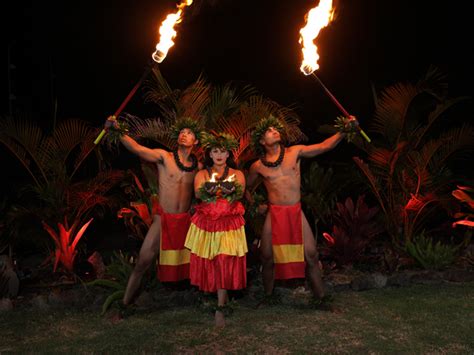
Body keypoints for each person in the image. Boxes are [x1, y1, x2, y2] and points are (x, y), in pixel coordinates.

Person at [245, 114, 358, 309]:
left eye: (275, 129)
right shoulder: (258, 166)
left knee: (312, 254)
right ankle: (268, 297)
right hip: (274, 213)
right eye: (269, 131)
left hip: (295, 211)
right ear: (263, 141)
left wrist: (344, 130)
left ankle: (321, 299)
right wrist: (256, 205)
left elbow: (324, 146)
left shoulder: (294, 152)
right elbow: (244, 187)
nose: (275, 131)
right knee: (266, 256)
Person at [104, 115, 203, 307]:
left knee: (198, 261)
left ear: (196, 141)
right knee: (143, 260)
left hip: (185, 221)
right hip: (163, 219)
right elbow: (137, 149)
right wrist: (117, 130)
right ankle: (125, 304)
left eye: (189, 133)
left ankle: (203, 299)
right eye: (181, 132)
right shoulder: (164, 157)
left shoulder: (197, 167)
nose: (184, 135)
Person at [184, 132, 247, 327]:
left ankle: (220, 308)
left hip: (229, 223)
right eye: (214, 151)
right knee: (212, 262)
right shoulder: (201, 174)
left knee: (224, 259)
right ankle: (218, 298)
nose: (219, 154)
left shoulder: (238, 174)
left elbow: (240, 192)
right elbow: (198, 192)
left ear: (228, 154)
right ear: (210, 155)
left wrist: (216, 189)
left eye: (222, 151)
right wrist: (223, 189)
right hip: (208, 223)